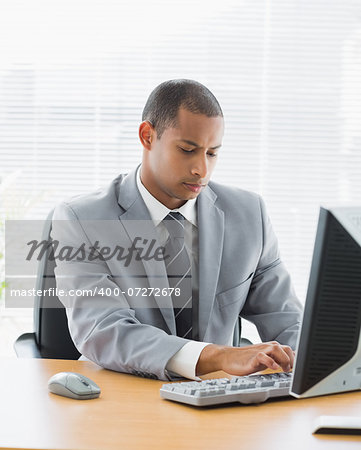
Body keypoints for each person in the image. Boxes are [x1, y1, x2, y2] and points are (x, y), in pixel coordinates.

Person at [51, 79, 303, 381]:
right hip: (122, 393)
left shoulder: (249, 214)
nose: (202, 170)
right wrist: (218, 356)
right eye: (187, 150)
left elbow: (287, 319)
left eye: (212, 153)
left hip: (216, 398)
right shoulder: (82, 220)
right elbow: (104, 330)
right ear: (147, 136)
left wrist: (313, 361)